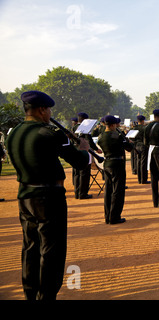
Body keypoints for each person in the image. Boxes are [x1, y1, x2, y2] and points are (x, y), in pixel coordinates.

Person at [5, 90, 90, 300]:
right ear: (42, 109)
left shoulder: (14, 133)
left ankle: (30, 293)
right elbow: (79, 162)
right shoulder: (50, 133)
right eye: (49, 109)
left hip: (25, 194)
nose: (50, 113)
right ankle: (46, 296)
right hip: (49, 197)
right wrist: (85, 149)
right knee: (51, 250)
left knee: (30, 247)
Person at [97, 115, 134, 224]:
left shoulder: (101, 136)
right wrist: (128, 142)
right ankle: (115, 216)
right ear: (113, 125)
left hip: (107, 163)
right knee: (118, 190)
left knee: (108, 190)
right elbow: (129, 148)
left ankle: (108, 216)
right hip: (117, 163)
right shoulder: (117, 135)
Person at [72, 112, 101, 199]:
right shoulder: (85, 128)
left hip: (75, 151)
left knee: (77, 173)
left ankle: (77, 193)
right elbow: (89, 140)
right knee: (84, 173)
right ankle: (83, 193)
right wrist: (96, 149)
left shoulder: (74, 127)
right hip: (84, 151)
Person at [134, 115, 149, 184]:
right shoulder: (145, 128)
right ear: (143, 121)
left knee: (138, 162)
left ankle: (139, 179)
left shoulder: (134, 128)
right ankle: (143, 179)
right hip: (143, 146)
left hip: (136, 146)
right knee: (143, 163)